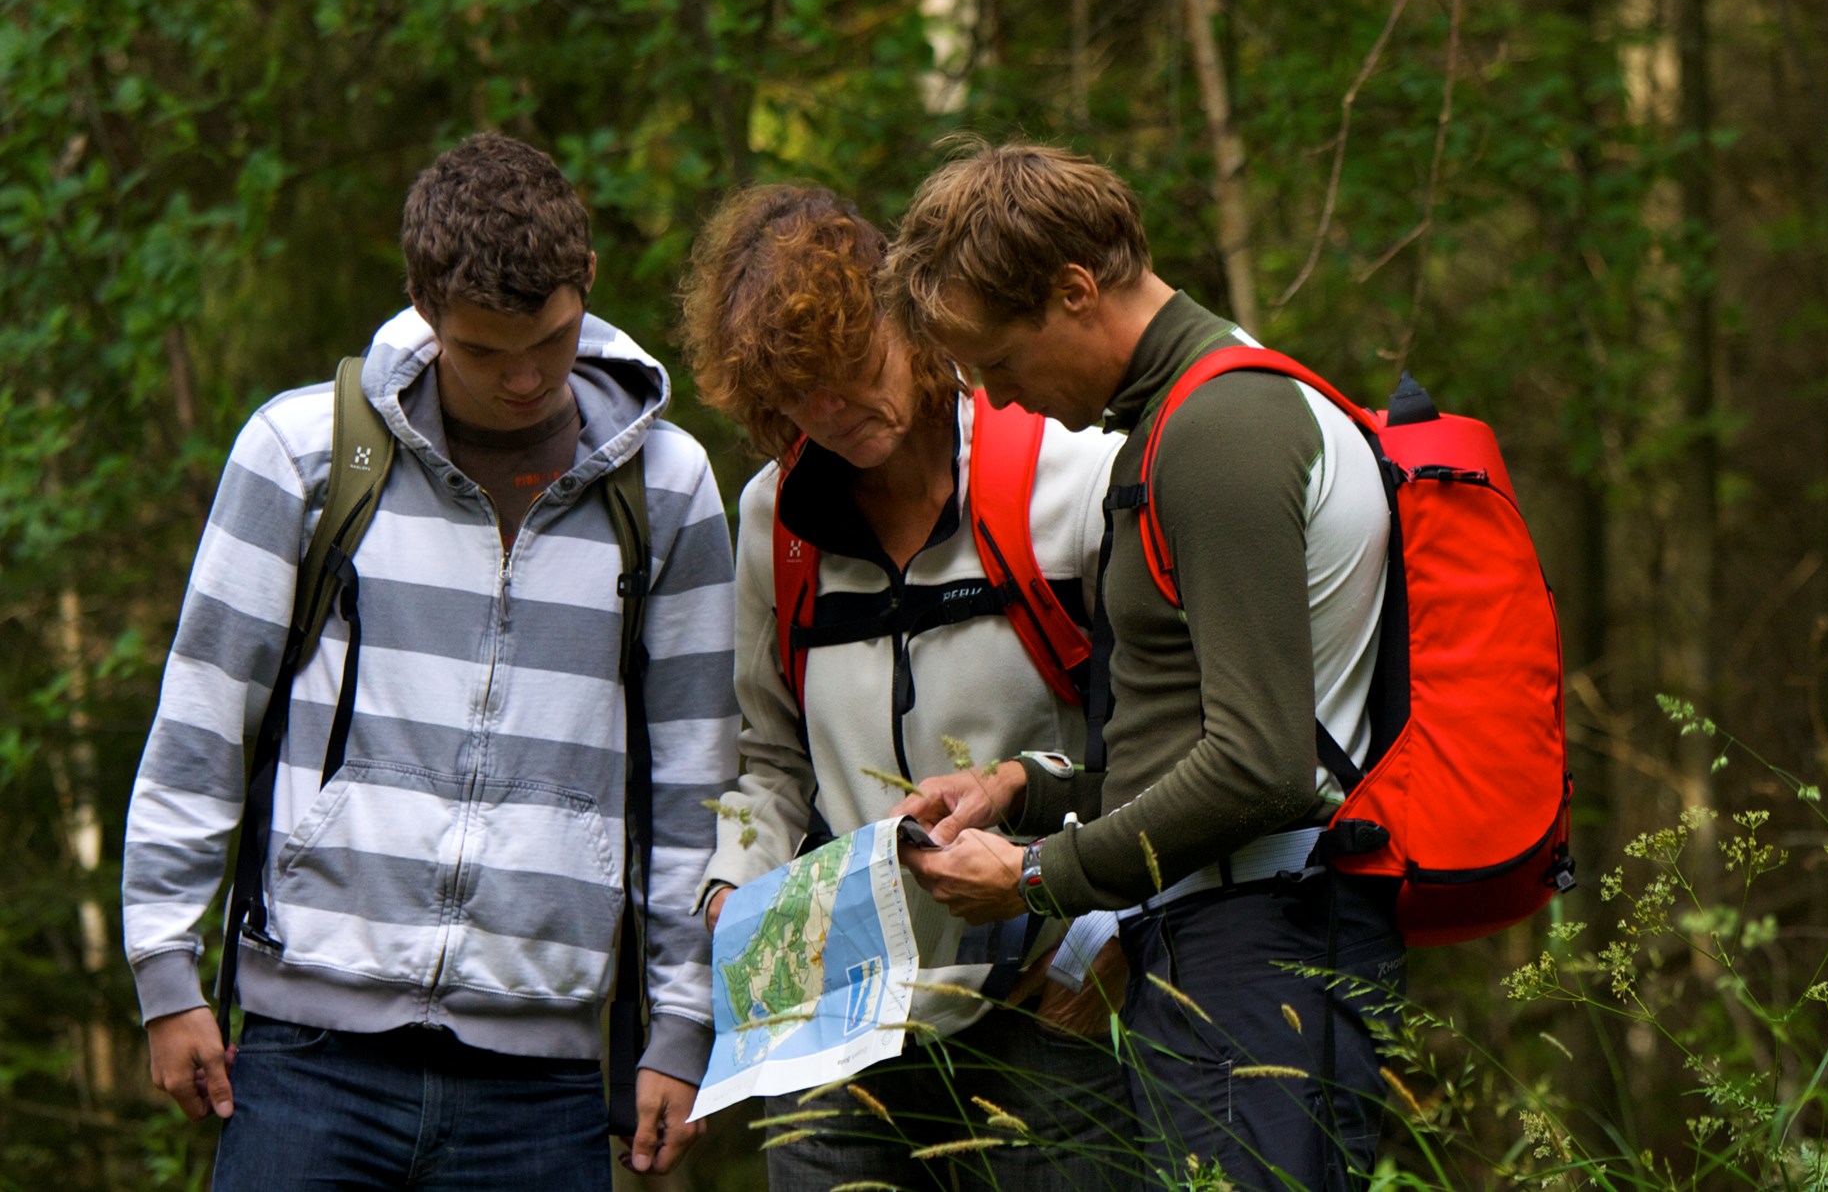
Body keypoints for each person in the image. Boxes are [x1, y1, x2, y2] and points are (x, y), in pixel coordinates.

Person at [122, 132, 738, 1189]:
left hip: (539, 1083)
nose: (523, 376)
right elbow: (201, 721)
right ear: (422, 304)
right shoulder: (302, 453)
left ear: (585, 279)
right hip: (301, 1058)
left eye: (547, 339)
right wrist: (166, 972)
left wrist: (682, 1021)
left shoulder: (668, 489)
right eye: (483, 348)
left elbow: (694, 776)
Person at [884, 143, 1403, 1192]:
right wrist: (1024, 792)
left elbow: (1259, 767)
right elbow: (1204, 740)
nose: (1002, 397)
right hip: (1228, 940)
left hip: (1265, 951)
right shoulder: (1181, 419)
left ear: (1075, 290)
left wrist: (1038, 879)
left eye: (1003, 358)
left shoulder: (1220, 428)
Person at [681, 183, 1137, 1192]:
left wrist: (1108, 941)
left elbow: (1155, 746)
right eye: (802, 397)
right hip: (834, 1029)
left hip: (1044, 1005)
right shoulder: (773, 522)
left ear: (910, 319)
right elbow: (766, 759)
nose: (835, 416)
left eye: (853, 373)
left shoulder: (1067, 481)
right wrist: (728, 890)